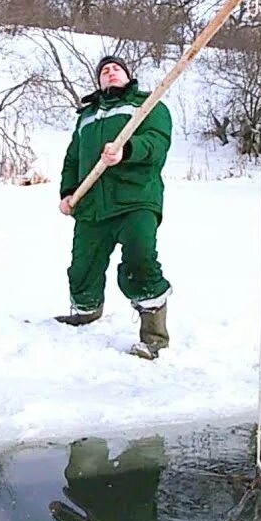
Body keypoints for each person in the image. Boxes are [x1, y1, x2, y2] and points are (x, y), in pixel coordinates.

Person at [55, 55, 174, 360]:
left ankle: (154, 337)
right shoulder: (87, 116)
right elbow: (72, 159)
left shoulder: (148, 105)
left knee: (140, 260)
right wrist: (68, 193)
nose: (110, 73)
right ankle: (86, 310)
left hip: (135, 198)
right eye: (104, 71)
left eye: (116, 69)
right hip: (92, 202)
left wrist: (127, 150)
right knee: (83, 267)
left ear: (127, 76)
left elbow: (157, 144)